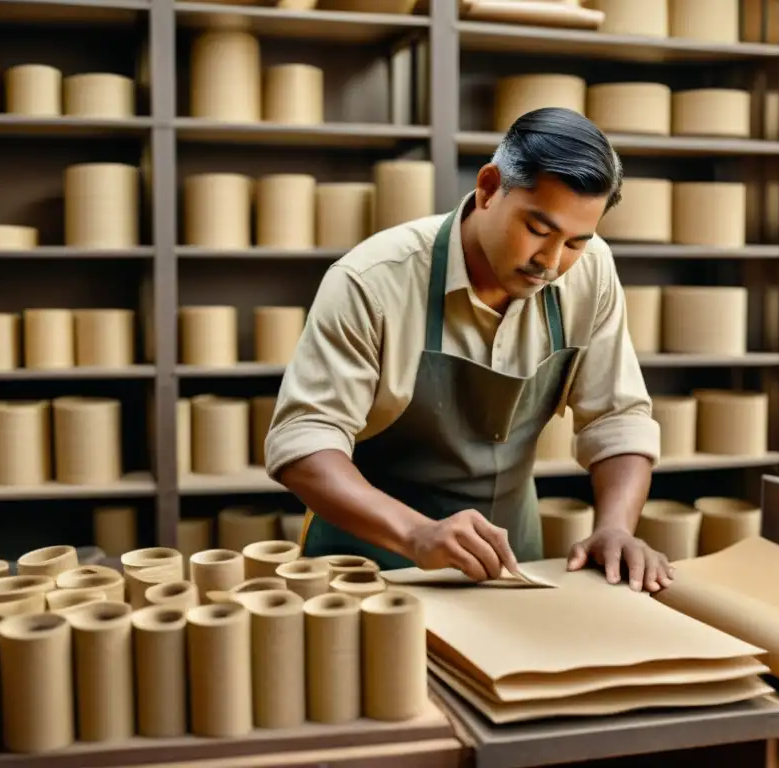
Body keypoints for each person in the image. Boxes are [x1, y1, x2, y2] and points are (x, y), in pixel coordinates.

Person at [264, 107, 673, 593]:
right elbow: (304, 441)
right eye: (538, 230)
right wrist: (417, 534)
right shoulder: (371, 281)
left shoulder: (591, 272)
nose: (550, 261)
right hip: (368, 562)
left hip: (505, 562)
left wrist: (616, 528)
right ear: (487, 187)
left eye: (575, 242)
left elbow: (617, 417)